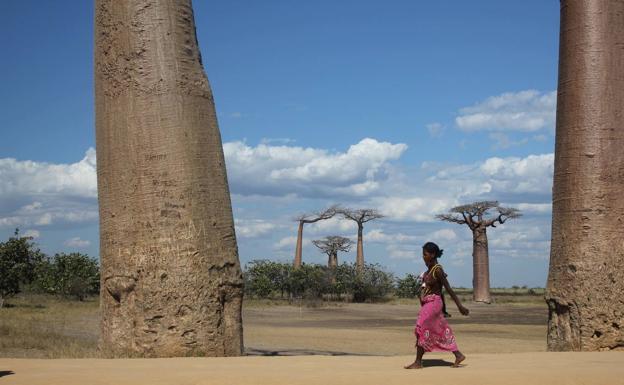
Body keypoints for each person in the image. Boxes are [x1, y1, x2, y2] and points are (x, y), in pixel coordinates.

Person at [404, 242, 469, 369]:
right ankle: (458, 355)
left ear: (432, 254)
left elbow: (448, 289)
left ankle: (418, 362)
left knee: (421, 328)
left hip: (433, 304)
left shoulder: (437, 270)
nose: (423, 257)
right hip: (428, 304)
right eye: (423, 255)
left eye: (425, 254)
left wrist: (459, 306)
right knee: (439, 330)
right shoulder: (428, 271)